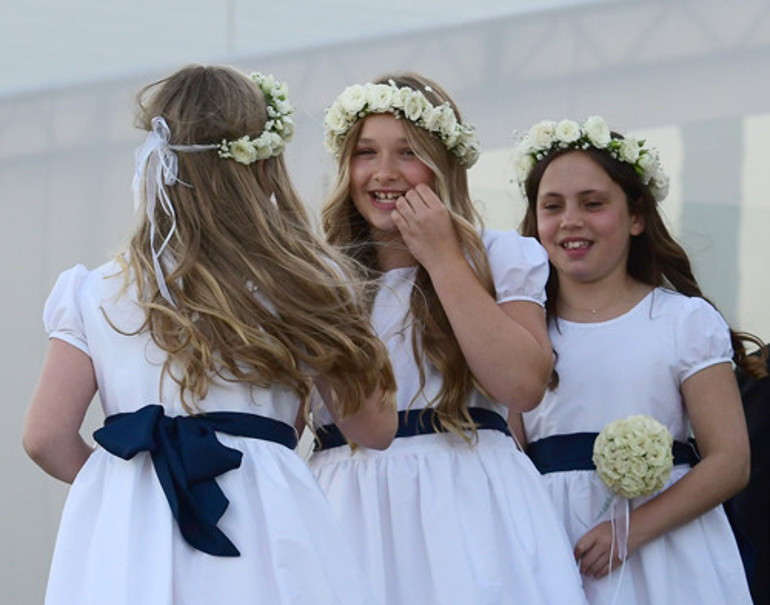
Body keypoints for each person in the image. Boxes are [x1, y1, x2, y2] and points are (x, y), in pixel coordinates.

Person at [22, 64, 398, 605]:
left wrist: (136, 490)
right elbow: (374, 426)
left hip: (133, 542)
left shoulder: (94, 291)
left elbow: (45, 437)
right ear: (264, 166)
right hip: (266, 521)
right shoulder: (305, 282)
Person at [307, 72, 587, 605]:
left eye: (407, 153)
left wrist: (441, 256)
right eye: (366, 153)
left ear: (442, 164)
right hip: (349, 506)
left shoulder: (500, 255)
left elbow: (523, 386)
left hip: (470, 504)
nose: (384, 173)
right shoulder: (318, 275)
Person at [513, 116, 768, 604]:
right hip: (556, 551)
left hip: (665, 551)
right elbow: (512, 456)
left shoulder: (681, 320)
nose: (571, 220)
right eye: (553, 206)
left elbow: (731, 460)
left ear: (635, 217)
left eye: (593, 204)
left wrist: (632, 530)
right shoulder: (523, 332)